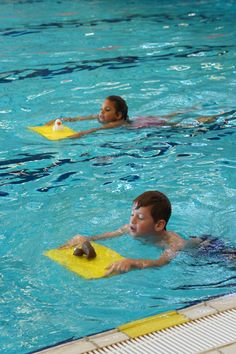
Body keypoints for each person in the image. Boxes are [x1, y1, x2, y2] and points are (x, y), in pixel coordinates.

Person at [59, 190, 201, 275]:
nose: (132, 221)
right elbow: (108, 235)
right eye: (132, 214)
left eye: (140, 217)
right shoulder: (129, 227)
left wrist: (133, 262)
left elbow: (159, 263)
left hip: (204, 251)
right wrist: (86, 238)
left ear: (159, 225)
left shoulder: (172, 243)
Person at [45, 95, 228, 139]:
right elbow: (81, 119)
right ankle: (193, 108)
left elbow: (95, 130)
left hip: (146, 125)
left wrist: (72, 136)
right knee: (171, 115)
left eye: (106, 110)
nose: (101, 113)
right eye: (102, 109)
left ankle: (210, 117)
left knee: (177, 124)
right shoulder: (104, 116)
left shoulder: (115, 124)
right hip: (142, 118)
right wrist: (61, 121)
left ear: (117, 115)